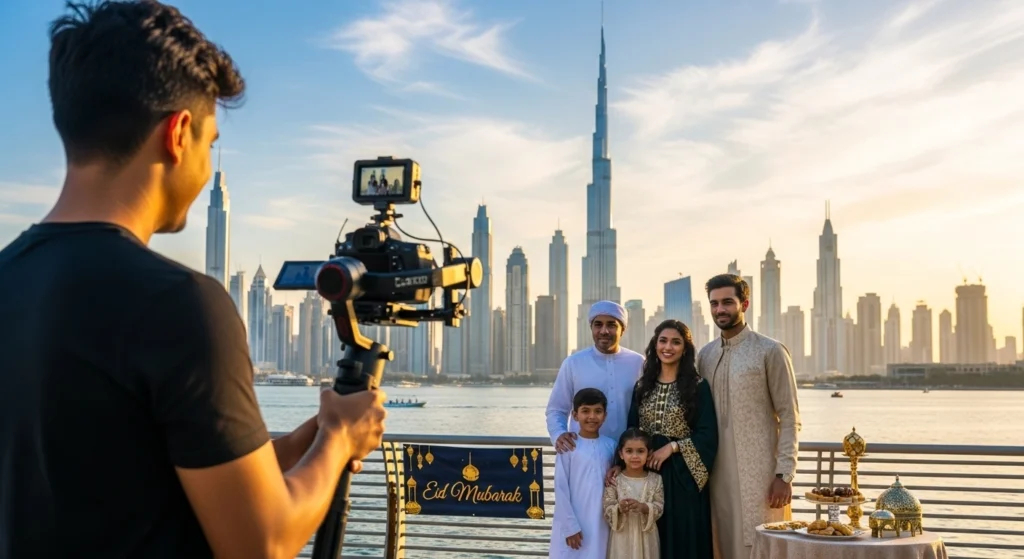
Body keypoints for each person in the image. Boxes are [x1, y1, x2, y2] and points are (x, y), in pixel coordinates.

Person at [0, 2, 387, 559]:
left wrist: (311, 436)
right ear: (178, 134)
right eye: (209, 144)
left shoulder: (10, 279)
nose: (206, 171)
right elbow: (263, 541)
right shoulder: (180, 306)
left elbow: (145, 476)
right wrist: (339, 439)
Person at [696, 274, 801, 559]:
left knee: (762, 544)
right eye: (714, 303)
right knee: (720, 545)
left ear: (745, 303)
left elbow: (789, 417)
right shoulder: (705, 355)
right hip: (715, 475)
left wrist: (784, 474)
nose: (720, 309)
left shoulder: (770, 351)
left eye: (727, 302)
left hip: (762, 476)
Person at [612, 319, 718, 558]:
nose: (668, 347)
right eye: (663, 340)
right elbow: (632, 429)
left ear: (685, 349)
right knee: (648, 538)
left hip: (684, 475)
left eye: (676, 342)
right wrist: (619, 465)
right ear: (655, 344)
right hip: (646, 474)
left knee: (682, 541)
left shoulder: (698, 387)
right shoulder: (642, 386)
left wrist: (671, 448)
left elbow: (707, 434)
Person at [546, 301, 644, 454]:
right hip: (582, 453)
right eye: (598, 324)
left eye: (611, 325)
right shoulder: (573, 363)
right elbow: (556, 409)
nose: (604, 331)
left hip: (628, 458)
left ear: (622, 330)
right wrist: (559, 434)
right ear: (591, 328)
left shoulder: (638, 363)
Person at [549, 388, 617, 559]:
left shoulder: (611, 446)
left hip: (601, 522)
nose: (592, 417)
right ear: (575, 415)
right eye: (585, 411)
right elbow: (561, 489)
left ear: (605, 415)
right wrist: (570, 527)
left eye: (598, 411)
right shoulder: (568, 446)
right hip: (573, 523)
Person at [603, 428, 664, 559]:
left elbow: (659, 506)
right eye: (629, 451)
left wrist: (644, 507)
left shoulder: (655, 479)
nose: (635, 456)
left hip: (647, 537)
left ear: (649, 454)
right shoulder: (615, 480)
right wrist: (619, 508)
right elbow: (607, 506)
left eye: (640, 451)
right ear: (621, 454)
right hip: (621, 537)